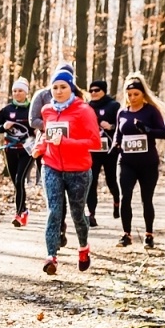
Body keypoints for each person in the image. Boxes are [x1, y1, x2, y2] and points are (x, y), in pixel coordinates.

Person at [33, 73, 102, 275]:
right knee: (54, 212)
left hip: (78, 170)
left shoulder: (84, 110)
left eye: (63, 87)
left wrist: (65, 143)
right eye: (55, 87)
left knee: (77, 214)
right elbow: (48, 136)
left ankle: (83, 248)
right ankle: (51, 257)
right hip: (51, 166)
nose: (59, 91)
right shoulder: (47, 110)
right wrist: (41, 146)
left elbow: (95, 143)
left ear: (71, 87)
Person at [114, 74, 165, 249]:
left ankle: (149, 234)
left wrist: (147, 129)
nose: (132, 98)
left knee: (147, 199)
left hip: (147, 162)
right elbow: (118, 133)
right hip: (126, 161)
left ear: (143, 94)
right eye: (129, 95)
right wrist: (115, 143)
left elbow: (162, 132)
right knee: (125, 197)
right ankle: (126, 234)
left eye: (136, 94)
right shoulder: (122, 112)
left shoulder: (151, 111)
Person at [0, 77, 33, 225]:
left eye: (20, 90)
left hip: (27, 151)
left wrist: (32, 139)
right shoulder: (6, 110)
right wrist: (3, 127)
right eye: (14, 90)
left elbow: (40, 127)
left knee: (19, 179)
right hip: (10, 150)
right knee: (16, 183)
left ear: (26, 93)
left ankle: (19, 214)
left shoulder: (32, 109)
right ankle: (24, 209)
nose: (17, 93)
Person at [85, 80, 121, 227]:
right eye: (91, 90)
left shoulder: (114, 106)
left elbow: (122, 125)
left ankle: (117, 201)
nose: (93, 93)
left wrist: (111, 126)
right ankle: (91, 214)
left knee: (111, 180)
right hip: (92, 150)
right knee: (91, 182)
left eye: (97, 90)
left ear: (104, 91)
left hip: (110, 151)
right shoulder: (86, 107)